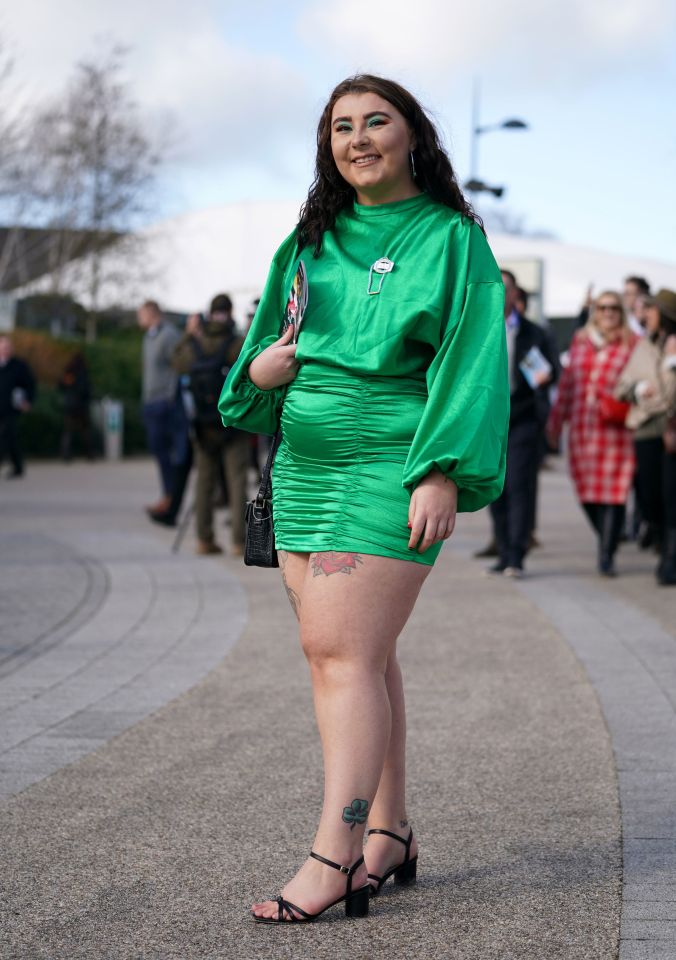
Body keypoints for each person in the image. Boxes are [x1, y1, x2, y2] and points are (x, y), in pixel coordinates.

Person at [218, 74, 509, 923]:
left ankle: (335, 855)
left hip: (393, 464)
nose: (358, 138)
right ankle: (391, 833)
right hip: (303, 472)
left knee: (340, 652)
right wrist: (261, 373)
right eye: (341, 126)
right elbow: (263, 354)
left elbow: (472, 359)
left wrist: (441, 465)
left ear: (413, 134)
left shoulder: (453, 238)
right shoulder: (310, 238)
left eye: (376, 121)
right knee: (356, 656)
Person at [547, 291, 637, 576]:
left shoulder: (633, 343)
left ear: (621, 311)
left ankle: (606, 554)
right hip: (582, 428)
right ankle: (609, 536)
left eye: (614, 307)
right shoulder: (581, 341)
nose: (608, 312)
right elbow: (567, 385)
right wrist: (555, 421)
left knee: (615, 492)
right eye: (602, 307)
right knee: (586, 492)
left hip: (617, 430)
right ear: (595, 311)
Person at [485, 270, 559, 578]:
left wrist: (544, 377)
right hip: (488, 421)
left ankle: (516, 554)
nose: (502, 292)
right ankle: (503, 551)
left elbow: (550, 371)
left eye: (508, 288)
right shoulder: (479, 327)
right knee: (494, 487)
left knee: (518, 485)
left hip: (523, 417)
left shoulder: (533, 332)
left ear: (516, 295)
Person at [173, 294, 248, 555]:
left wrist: (188, 334)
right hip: (232, 422)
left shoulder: (194, 344)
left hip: (202, 424)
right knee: (237, 480)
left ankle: (204, 539)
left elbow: (176, 363)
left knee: (203, 482)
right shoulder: (236, 343)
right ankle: (240, 541)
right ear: (230, 312)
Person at [616, 288, 676, 585]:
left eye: (650, 311)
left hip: (671, 429)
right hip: (645, 429)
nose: (644, 315)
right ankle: (661, 542)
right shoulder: (642, 347)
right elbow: (621, 385)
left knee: (671, 496)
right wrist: (638, 389)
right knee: (650, 496)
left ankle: (670, 558)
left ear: (663, 315)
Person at [137, 300, 182, 515]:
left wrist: (170, 396)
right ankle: (167, 494)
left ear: (151, 314)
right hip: (150, 402)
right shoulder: (148, 337)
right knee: (157, 450)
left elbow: (178, 366)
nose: (139, 319)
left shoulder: (169, 335)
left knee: (166, 452)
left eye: (141, 314)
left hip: (164, 403)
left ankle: (170, 497)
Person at [0, 335, 36, 479]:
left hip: (11, 408)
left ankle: (15, 466)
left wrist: (28, 401)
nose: (5, 350)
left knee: (7, 434)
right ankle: (18, 466)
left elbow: (29, 385)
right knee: (11, 438)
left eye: (7, 348)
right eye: (2, 348)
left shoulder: (19, 366)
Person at [58, 352, 94, 461]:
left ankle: (66, 454)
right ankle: (89, 454)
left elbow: (61, 386)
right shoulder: (83, 373)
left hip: (69, 406)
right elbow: (86, 390)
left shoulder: (69, 373)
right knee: (85, 431)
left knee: (68, 431)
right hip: (81, 406)